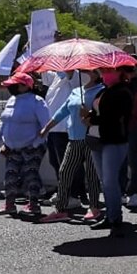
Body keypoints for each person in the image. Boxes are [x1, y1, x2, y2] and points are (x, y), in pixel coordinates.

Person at [38, 69, 104, 223]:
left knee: (92, 175)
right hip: (73, 139)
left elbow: (102, 113)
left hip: (91, 138)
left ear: (95, 75)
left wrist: (88, 113)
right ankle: (60, 209)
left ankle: (94, 207)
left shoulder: (101, 92)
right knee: (65, 171)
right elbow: (62, 112)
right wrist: (46, 128)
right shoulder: (76, 91)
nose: (84, 73)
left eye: (87, 71)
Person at [84, 68, 135, 237]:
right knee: (104, 181)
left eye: (108, 72)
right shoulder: (104, 91)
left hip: (114, 140)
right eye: (103, 72)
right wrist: (89, 114)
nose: (104, 74)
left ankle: (116, 219)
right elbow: (99, 112)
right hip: (97, 139)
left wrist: (92, 119)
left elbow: (114, 117)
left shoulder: (124, 92)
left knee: (110, 181)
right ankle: (110, 216)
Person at [0, 71, 49, 216]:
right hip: (12, 147)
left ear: (24, 86)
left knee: (31, 174)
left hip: (32, 147)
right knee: (10, 175)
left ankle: (34, 205)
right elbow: (5, 123)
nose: (10, 87)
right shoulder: (12, 100)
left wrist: (36, 144)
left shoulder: (37, 101)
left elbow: (46, 125)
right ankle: (9, 204)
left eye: (14, 85)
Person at [42, 71, 84, 207]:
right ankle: (63, 192)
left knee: (67, 165)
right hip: (53, 128)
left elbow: (71, 76)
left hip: (65, 128)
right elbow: (44, 72)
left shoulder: (75, 75)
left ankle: (73, 195)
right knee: (55, 162)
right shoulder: (56, 77)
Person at [120, 59, 137, 208]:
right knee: (126, 160)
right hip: (128, 125)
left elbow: (135, 108)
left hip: (129, 125)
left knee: (131, 159)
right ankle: (126, 191)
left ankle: (133, 191)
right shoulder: (134, 83)